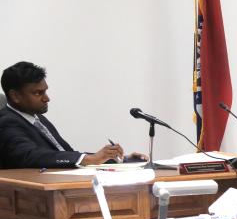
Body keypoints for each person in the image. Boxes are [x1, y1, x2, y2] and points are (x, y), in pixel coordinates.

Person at [0, 61, 142, 168]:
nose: (46, 98)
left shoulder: (38, 119)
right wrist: (88, 159)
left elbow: (65, 152)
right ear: (15, 96)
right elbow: (30, 156)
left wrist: (118, 160)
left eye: (45, 91)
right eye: (38, 93)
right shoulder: (6, 122)